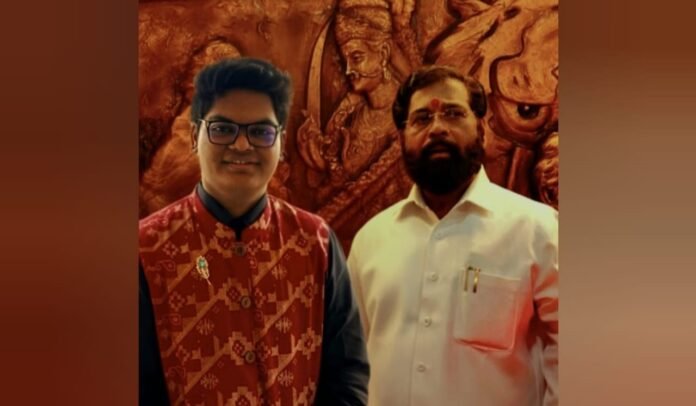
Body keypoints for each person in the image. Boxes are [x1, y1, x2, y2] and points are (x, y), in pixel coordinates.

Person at [139, 57, 369, 405]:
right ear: (194, 136)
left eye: (260, 132)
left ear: (281, 141)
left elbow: (346, 374)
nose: (242, 145)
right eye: (223, 129)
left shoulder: (315, 242)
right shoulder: (146, 248)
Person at [347, 65, 558, 406]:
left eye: (453, 114)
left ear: (481, 129)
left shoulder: (538, 230)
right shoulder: (371, 240)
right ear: (401, 137)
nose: (437, 128)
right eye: (421, 119)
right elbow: (352, 362)